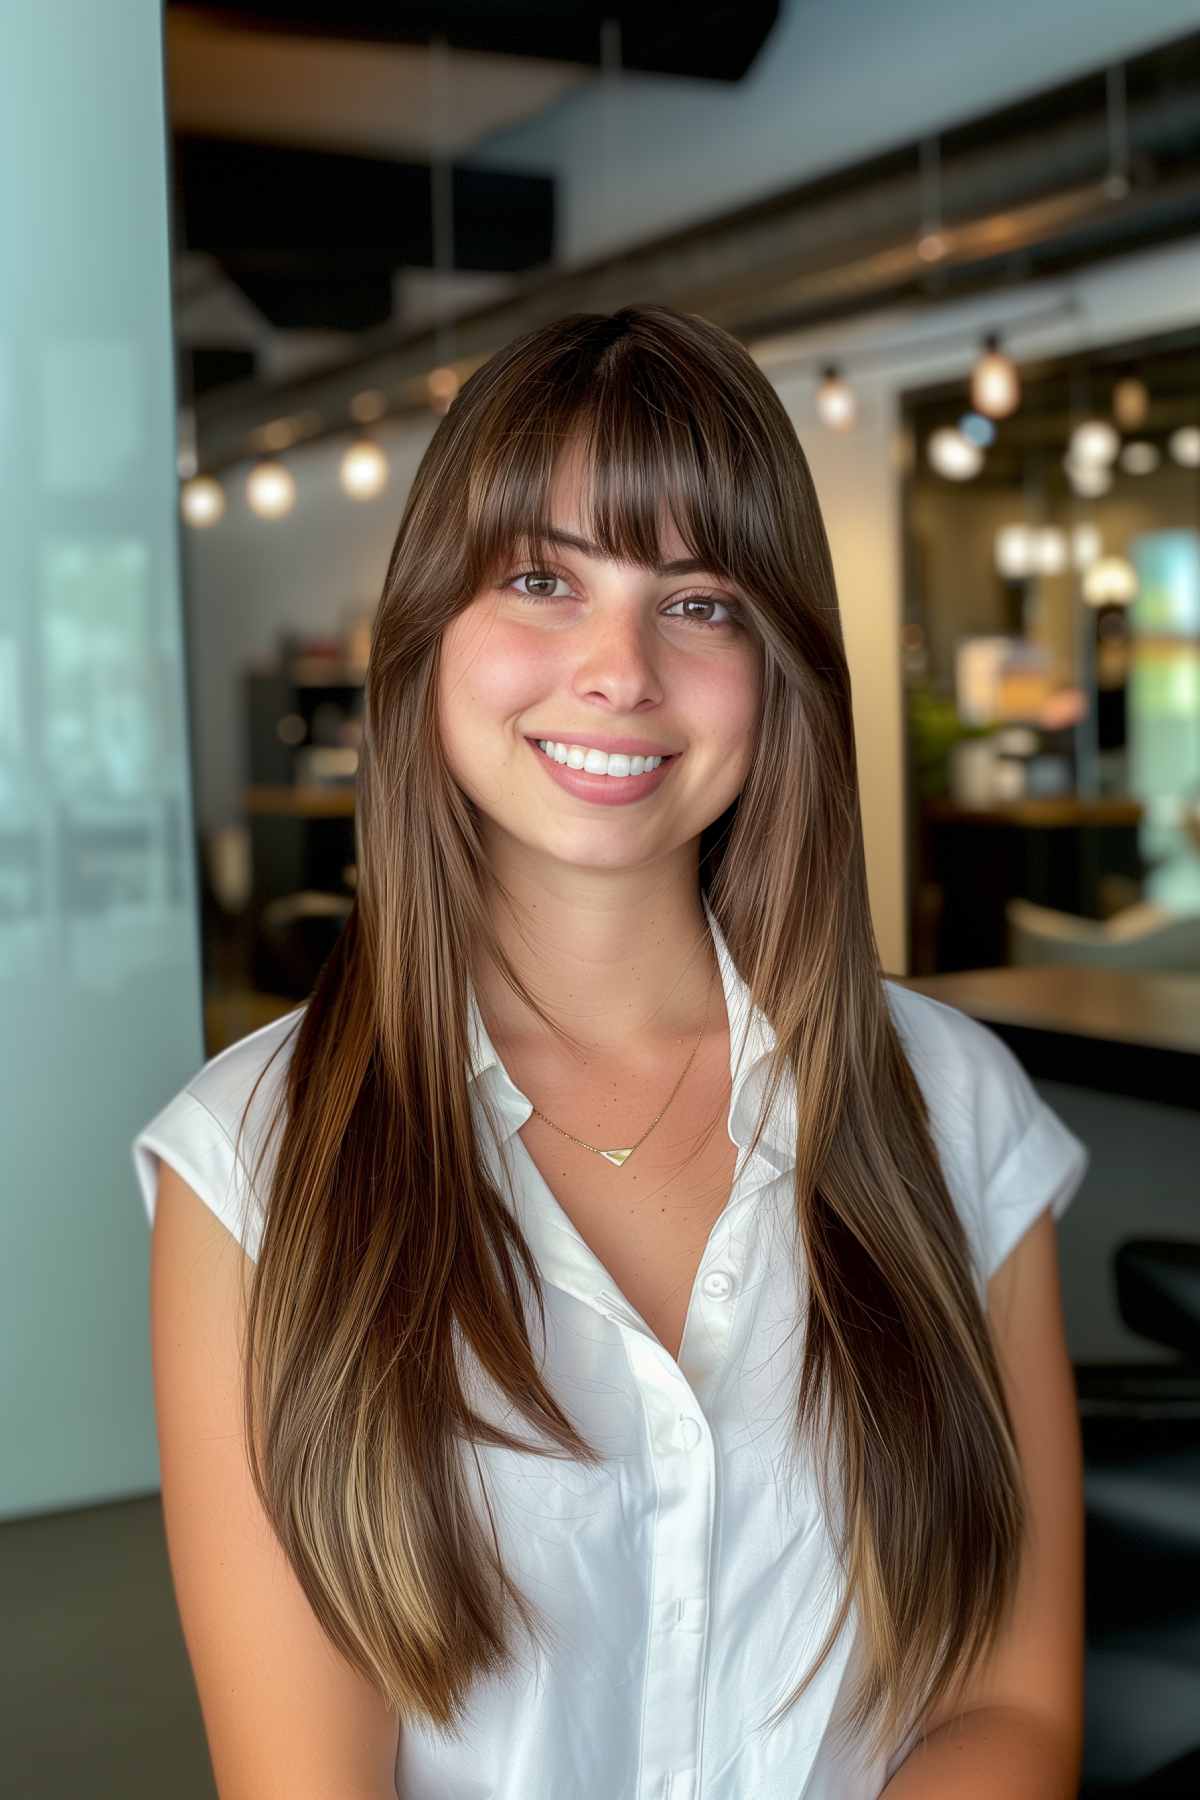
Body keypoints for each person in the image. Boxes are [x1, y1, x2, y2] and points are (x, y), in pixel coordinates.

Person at [132, 303, 1090, 1799]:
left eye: (699, 601)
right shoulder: (250, 1164)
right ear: (427, 635)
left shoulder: (952, 1106)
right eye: (539, 579)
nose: (618, 668)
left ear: (778, 664)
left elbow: (1010, 1711)